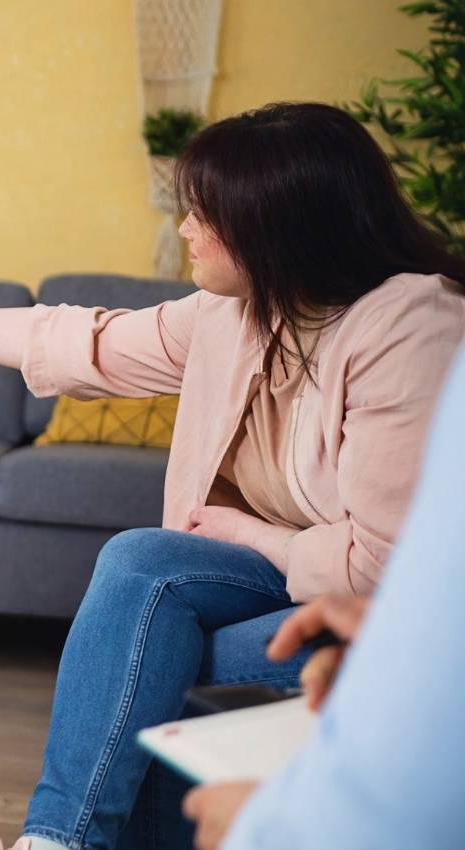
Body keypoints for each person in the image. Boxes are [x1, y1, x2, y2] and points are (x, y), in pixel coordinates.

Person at [0, 102, 465, 850]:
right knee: (138, 566)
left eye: (201, 212)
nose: (184, 228)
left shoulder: (411, 325)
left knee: (145, 672)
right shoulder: (238, 312)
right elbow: (81, 341)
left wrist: (258, 536)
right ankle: (53, 843)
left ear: (271, 221)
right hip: (276, 577)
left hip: (378, 616)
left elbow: (388, 568)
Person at [178, 345, 465, 850]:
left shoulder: (414, 327)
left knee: (166, 658)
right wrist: (397, 629)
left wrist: (267, 829)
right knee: (138, 561)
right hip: (365, 624)